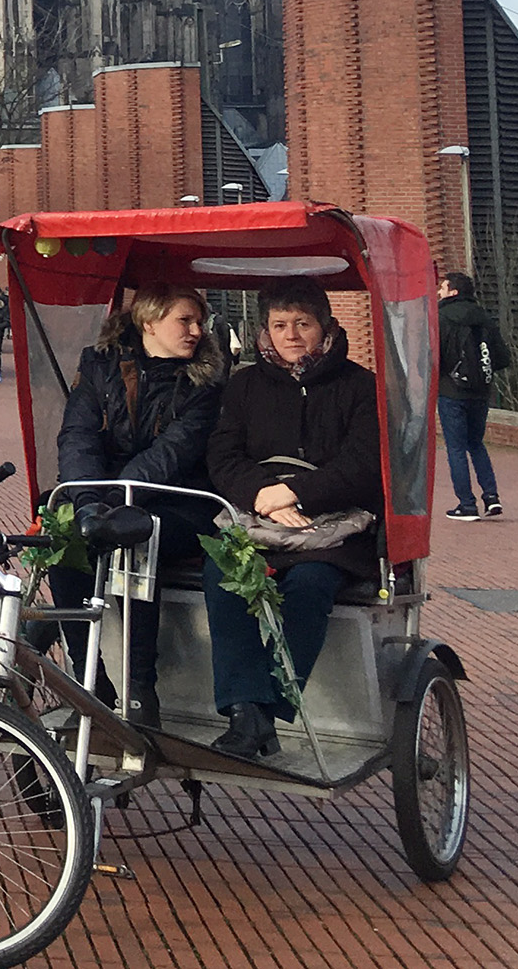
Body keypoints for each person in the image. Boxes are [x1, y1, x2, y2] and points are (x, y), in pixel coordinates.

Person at [202, 277, 382, 760]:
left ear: (325, 327)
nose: (292, 335)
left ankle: (269, 709)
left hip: (334, 526)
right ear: (265, 330)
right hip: (260, 518)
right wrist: (264, 494)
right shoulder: (244, 386)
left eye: (303, 324)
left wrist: (297, 492)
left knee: (309, 586)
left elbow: (363, 464)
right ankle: (244, 710)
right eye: (280, 325)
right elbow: (223, 455)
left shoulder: (360, 387)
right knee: (223, 575)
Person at [50, 284, 228, 725]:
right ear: (149, 322)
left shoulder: (204, 381)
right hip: (105, 493)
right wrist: (87, 502)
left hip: (179, 499)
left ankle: (140, 691)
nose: (196, 331)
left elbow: (173, 453)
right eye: (184, 321)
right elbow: (78, 436)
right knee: (64, 539)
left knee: (136, 535)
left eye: (199, 322)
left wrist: (116, 502)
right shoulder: (99, 366)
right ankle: (89, 680)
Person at [435, 271, 509, 521]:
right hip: (481, 392)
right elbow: (501, 357)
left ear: (453, 292)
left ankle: (466, 504)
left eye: (443, 288)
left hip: (451, 391)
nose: (439, 292)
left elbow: (434, 356)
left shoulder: (442, 318)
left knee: (455, 448)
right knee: (476, 444)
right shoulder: (484, 317)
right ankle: (491, 496)